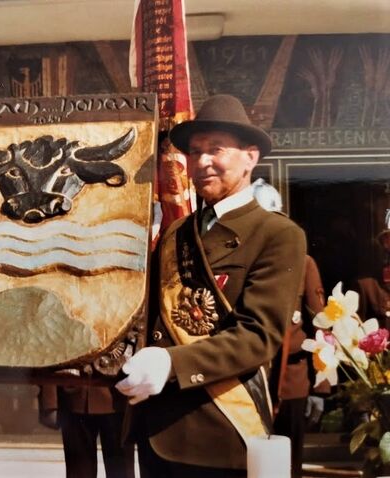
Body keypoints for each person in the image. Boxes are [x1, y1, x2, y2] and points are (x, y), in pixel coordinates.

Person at [116, 94, 307, 477]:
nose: (202, 162)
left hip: (219, 430)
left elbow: (258, 336)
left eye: (216, 149)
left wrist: (172, 363)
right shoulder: (175, 232)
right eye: (194, 151)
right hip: (155, 425)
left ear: (250, 157)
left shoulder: (277, 234)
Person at [252, 178, 329, 478]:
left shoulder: (304, 263)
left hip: (291, 381)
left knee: (289, 464)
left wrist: (320, 389)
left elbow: (321, 325)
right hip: (250, 379)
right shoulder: (242, 264)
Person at [38, 384, 135, 478]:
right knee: (79, 472)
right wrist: (50, 401)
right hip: (75, 396)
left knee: (121, 471)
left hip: (118, 395)